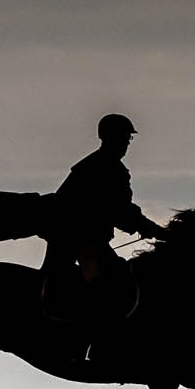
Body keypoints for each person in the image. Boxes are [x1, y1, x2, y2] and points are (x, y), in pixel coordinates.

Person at [43, 113, 165, 333]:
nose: (127, 143)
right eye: (125, 138)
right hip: (82, 241)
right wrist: (151, 228)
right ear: (111, 137)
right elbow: (120, 210)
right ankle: (94, 347)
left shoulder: (93, 165)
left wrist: (143, 225)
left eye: (129, 139)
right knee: (108, 287)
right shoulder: (108, 168)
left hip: (75, 239)